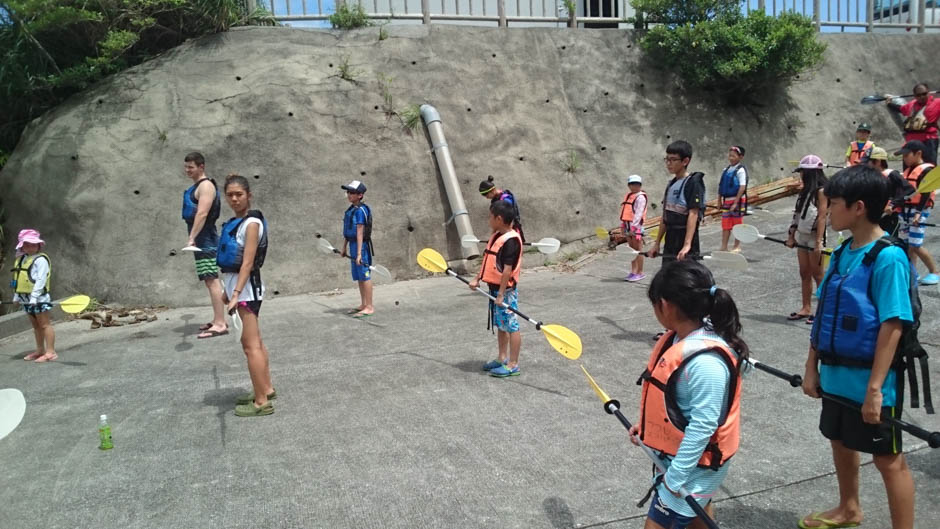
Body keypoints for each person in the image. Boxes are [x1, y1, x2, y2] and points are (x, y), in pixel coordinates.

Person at [801, 165, 916, 529]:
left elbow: (893, 324)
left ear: (859, 207)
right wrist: (811, 367)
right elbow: (823, 315)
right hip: (835, 373)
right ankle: (849, 508)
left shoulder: (889, 257)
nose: (828, 212)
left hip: (872, 380)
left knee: (888, 459)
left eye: (833, 204)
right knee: (839, 439)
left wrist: (876, 389)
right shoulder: (841, 252)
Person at [629, 260, 749, 529]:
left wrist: (676, 477)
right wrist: (649, 430)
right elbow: (675, 407)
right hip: (678, 460)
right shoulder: (677, 339)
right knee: (698, 514)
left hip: (693, 467)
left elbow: (703, 425)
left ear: (665, 305)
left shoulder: (706, 363)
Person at [217, 174, 275, 417]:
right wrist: (226, 292)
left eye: (239, 194)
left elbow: (248, 262)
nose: (234, 199)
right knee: (255, 343)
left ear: (248, 196)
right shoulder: (237, 222)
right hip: (239, 288)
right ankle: (266, 389)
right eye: (230, 195)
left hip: (247, 291)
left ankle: (262, 402)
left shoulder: (251, 224)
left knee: (250, 346)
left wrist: (235, 294)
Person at [469, 200, 523, 377]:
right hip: (494, 289)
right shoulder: (497, 236)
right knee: (500, 325)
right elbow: (488, 261)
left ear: (499, 218)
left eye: (490, 217)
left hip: (505, 292)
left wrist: (500, 294)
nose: (488, 220)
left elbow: (507, 270)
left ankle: (513, 364)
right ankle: (502, 358)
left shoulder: (511, 241)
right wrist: (477, 279)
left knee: (512, 325)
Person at [181, 152, 227, 339]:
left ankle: (220, 323)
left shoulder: (206, 186)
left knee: (211, 279)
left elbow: (202, 214)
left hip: (205, 238)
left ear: (201, 167)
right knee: (209, 280)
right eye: (186, 167)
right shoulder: (197, 187)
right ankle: (217, 319)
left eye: (191, 167)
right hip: (202, 238)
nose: (187, 171)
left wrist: (192, 237)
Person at [786, 155, 829, 324]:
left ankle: (822, 311)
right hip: (802, 236)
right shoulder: (804, 191)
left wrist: (819, 242)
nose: (801, 174)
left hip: (814, 237)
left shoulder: (822, 191)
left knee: (818, 275)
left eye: (802, 171)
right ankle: (806, 308)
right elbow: (797, 215)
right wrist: (791, 235)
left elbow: (822, 217)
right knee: (804, 273)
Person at [649, 141, 705, 263]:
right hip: (670, 239)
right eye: (667, 159)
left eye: (673, 159)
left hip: (685, 237)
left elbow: (693, 214)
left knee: (685, 279)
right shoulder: (671, 184)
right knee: (668, 276)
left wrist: (687, 245)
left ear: (685, 161)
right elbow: (665, 216)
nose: (669, 163)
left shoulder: (693, 183)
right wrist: (657, 243)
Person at [894, 140, 940, 285]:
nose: (904, 158)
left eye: (907, 155)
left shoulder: (926, 170)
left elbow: (925, 193)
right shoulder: (908, 170)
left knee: (915, 244)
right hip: (906, 209)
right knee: (908, 243)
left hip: (918, 210)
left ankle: (934, 271)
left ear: (918, 153)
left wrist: (918, 213)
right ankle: (912, 272)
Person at [10, 229, 57, 363]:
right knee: (36, 326)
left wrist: (34, 298)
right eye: (27, 244)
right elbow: (17, 279)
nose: (30, 247)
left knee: (45, 325)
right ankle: (40, 350)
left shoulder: (40, 260)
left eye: (33, 244)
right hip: (25, 299)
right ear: (22, 246)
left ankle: (51, 351)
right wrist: (16, 297)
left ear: (38, 245)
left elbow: (41, 280)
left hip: (38, 299)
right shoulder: (21, 260)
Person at [341, 180, 374, 318]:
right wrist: (344, 248)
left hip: (362, 247)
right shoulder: (351, 210)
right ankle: (363, 304)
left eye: (352, 192)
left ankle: (370, 306)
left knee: (365, 275)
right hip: (353, 246)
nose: (349, 195)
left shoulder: (361, 211)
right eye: (348, 192)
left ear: (360, 195)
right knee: (359, 277)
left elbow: (360, 232)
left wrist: (360, 254)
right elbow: (348, 232)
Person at [886, 83, 940, 165]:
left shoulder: (937, 103)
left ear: (928, 92)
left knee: (930, 167)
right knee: (909, 167)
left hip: (928, 140)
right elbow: (900, 109)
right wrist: (889, 103)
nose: (922, 97)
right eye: (918, 95)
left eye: (924, 94)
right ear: (915, 96)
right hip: (911, 141)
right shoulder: (911, 104)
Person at [865, 147, 914, 237]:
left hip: (891, 216)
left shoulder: (892, 174)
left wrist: (892, 204)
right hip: (877, 216)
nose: (867, 164)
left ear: (878, 162)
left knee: (889, 240)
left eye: (869, 161)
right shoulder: (872, 176)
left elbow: (910, 189)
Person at [718, 146, 748, 252]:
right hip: (727, 200)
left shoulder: (741, 170)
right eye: (730, 155)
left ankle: (737, 246)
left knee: (737, 224)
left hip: (737, 200)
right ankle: (724, 246)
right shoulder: (725, 170)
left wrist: (735, 203)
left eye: (733, 156)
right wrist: (719, 201)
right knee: (725, 224)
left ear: (740, 157)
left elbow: (742, 187)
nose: (731, 158)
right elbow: (721, 186)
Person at [479, 176, 524, 241]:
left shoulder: (506, 200)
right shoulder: (497, 198)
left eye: (486, 195)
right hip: (503, 230)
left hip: (510, 231)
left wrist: (503, 237)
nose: (486, 197)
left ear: (493, 190)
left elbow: (509, 220)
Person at [620, 174, 648, 281]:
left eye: (636, 184)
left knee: (638, 250)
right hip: (627, 226)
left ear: (640, 185)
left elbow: (639, 214)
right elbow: (624, 211)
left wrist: (634, 229)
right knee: (631, 251)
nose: (634, 186)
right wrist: (622, 226)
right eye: (632, 184)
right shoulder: (628, 196)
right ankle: (633, 271)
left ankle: (640, 272)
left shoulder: (641, 197)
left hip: (636, 228)